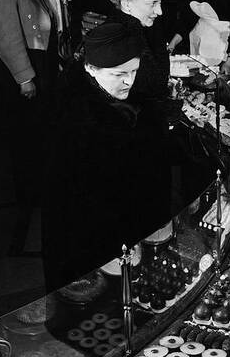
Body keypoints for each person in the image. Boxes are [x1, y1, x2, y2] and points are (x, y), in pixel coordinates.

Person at [41, 22, 171, 291]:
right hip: (91, 243)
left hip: (126, 233)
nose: (129, 81)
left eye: (134, 71)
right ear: (90, 68)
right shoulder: (74, 117)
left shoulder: (131, 102)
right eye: (119, 74)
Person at [0, 0, 58, 255]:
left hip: (39, 62)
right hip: (27, 67)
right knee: (27, 135)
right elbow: (5, 37)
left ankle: (41, 193)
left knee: (40, 132)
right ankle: (30, 199)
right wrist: (24, 77)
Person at [103, 0, 171, 101]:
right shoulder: (120, 39)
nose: (160, 11)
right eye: (152, 3)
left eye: (160, 3)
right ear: (126, 2)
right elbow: (154, 87)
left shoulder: (137, 27)